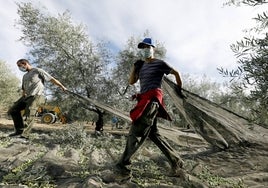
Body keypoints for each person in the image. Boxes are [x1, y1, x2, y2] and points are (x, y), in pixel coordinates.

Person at [116, 38, 187, 179]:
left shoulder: (160, 63)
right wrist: (134, 67)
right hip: (144, 100)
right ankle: (176, 161)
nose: (145, 50)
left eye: (147, 47)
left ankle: (123, 169)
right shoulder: (141, 66)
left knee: (135, 133)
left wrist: (179, 90)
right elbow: (131, 82)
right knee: (154, 134)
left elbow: (176, 73)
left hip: (152, 102)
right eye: (142, 48)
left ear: (153, 48)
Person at [8, 59, 67, 138]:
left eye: (19, 66)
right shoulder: (25, 76)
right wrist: (23, 95)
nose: (19, 68)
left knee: (30, 113)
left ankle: (25, 135)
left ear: (25, 63)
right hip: (26, 97)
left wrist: (62, 86)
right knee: (13, 110)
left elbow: (51, 79)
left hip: (37, 96)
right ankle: (19, 131)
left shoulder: (37, 71)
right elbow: (24, 88)